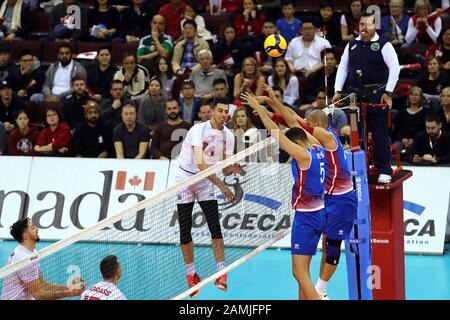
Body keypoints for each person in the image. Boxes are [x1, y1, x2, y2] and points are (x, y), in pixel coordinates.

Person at [241, 91, 326, 300]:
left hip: (307, 217)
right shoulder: (318, 146)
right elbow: (292, 119)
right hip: (321, 212)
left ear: (296, 144)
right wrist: (273, 101)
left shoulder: (303, 155)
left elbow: (274, 132)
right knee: (304, 272)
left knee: (298, 272)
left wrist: (258, 108)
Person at [175, 99, 242, 297]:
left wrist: (233, 169)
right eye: (219, 110)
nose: (223, 114)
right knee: (185, 229)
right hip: (185, 177)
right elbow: (202, 164)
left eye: (225, 112)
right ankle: (191, 275)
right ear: (212, 112)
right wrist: (221, 185)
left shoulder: (228, 136)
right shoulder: (198, 130)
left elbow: (225, 169)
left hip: (206, 181)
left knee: (215, 225)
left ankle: (221, 272)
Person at [332, 10, 400, 184]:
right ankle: (359, 168)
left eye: (368, 24)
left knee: (379, 133)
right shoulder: (352, 44)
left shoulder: (384, 45)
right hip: (356, 98)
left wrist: (388, 92)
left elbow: (394, 68)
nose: (364, 28)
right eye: (362, 24)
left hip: (377, 96)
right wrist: (338, 90)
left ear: (375, 26)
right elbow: (342, 68)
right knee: (357, 134)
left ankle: (384, 169)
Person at [1, 218, 86, 300]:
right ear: (26, 236)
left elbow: (42, 284)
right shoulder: (24, 258)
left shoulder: (32, 253)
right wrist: (70, 293)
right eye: (33, 228)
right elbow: (39, 296)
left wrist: (67, 288)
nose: (37, 229)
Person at [392, 86, 429, 159]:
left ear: (421, 97)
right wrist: (403, 139)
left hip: (419, 140)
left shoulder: (426, 112)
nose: (414, 97)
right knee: (395, 148)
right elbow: (397, 130)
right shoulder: (402, 113)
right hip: (403, 141)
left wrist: (414, 140)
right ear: (408, 96)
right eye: (411, 94)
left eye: (416, 95)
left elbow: (426, 130)